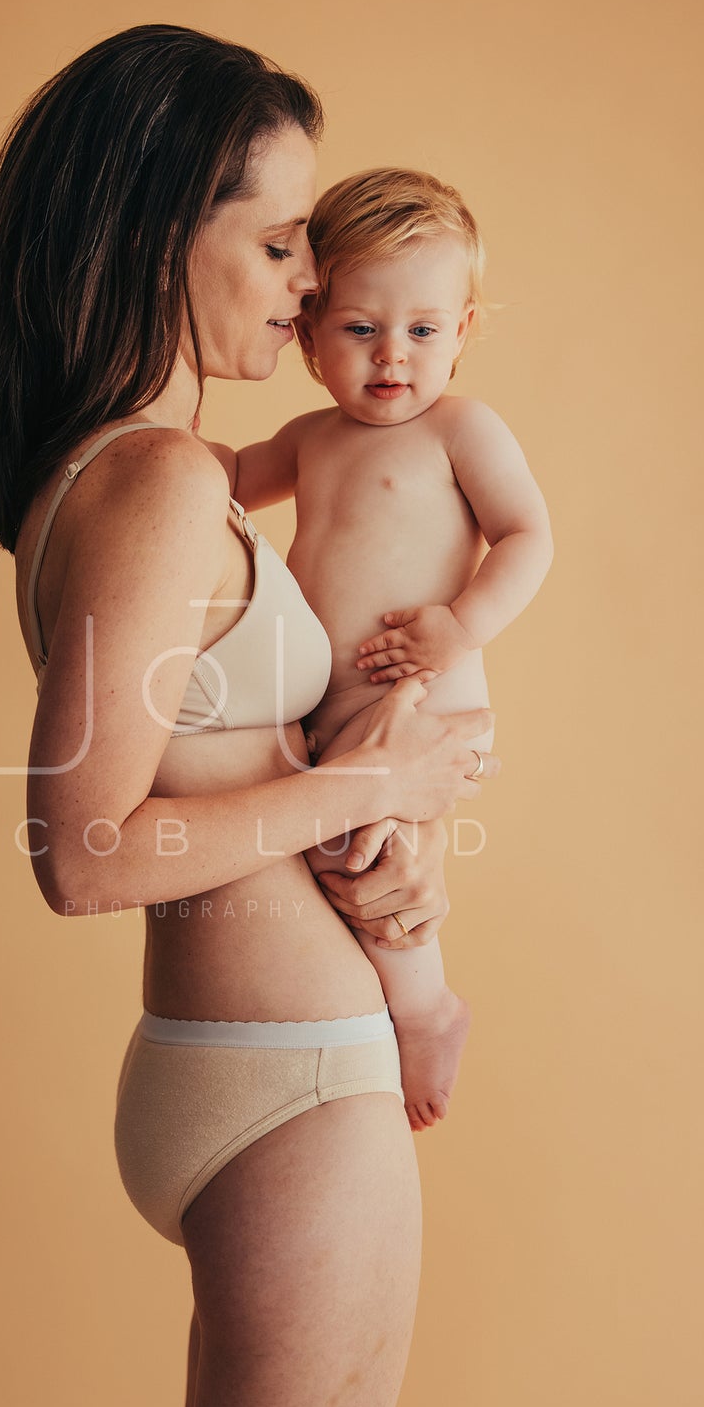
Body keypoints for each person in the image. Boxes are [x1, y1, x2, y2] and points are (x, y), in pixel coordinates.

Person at [0, 26, 500, 1407]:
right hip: (294, 1083)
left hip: (236, 1066)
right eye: (273, 238)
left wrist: (393, 823)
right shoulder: (164, 477)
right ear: (149, 234)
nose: (310, 281)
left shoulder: (117, 478)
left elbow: (224, 771)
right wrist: (364, 798)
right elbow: (85, 847)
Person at [205, 168, 553, 1135]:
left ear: (465, 330)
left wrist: (463, 624)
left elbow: (529, 535)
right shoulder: (312, 436)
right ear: (310, 336)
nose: (393, 355)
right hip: (330, 709)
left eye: (424, 330)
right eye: (360, 329)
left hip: (420, 700)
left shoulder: (460, 430)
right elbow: (222, 476)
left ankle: (425, 1006)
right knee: (332, 847)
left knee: (376, 852)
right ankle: (374, 1004)